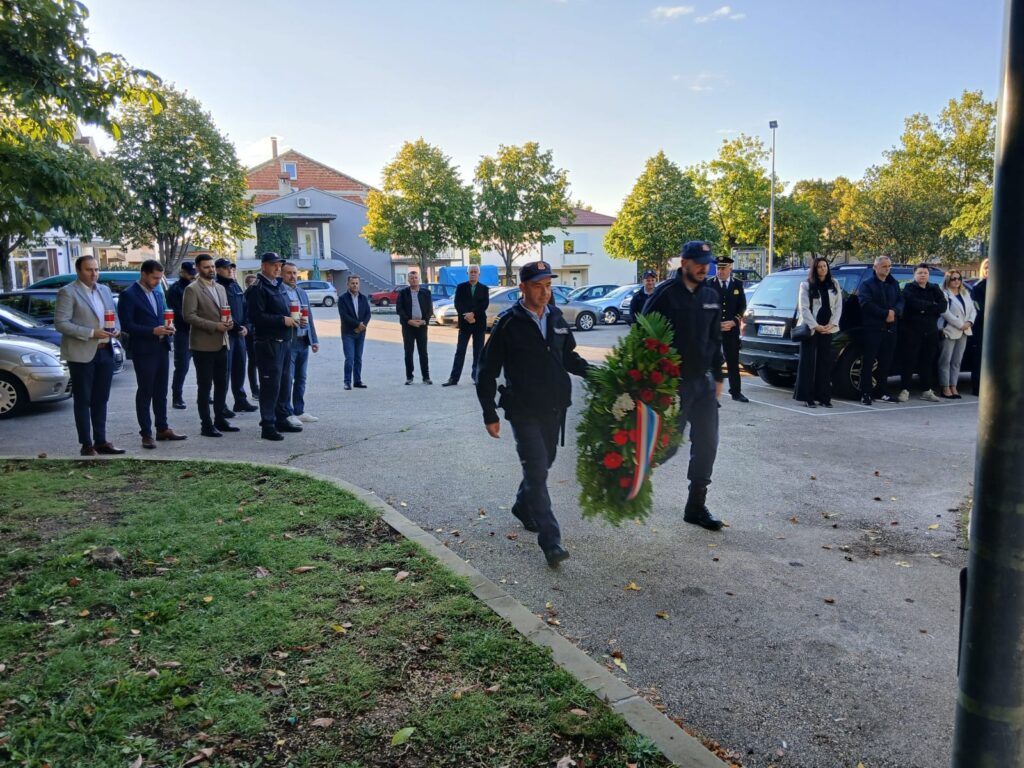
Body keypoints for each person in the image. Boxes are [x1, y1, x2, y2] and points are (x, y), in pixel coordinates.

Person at [476, 260, 590, 567]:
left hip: (554, 407)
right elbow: (486, 370)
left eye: (548, 286)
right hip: (523, 409)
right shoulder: (508, 323)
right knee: (537, 470)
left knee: (545, 462)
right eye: (538, 286)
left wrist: (597, 374)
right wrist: (489, 412)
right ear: (523, 288)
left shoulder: (556, 316)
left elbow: (568, 357)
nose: (544, 292)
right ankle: (551, 541)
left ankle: (522, 506)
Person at [642, 241, 725, 531]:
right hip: (672, 385)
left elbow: (715, 339)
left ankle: (696, 506)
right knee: (666, 447)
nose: (704, 267)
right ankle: (627, 478)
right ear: (684, 263)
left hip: (703, 385)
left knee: (708, 443)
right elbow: (642, 334)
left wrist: (719, 376)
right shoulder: (664, 295)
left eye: (707, 262)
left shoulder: (711, 295)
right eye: (699, 262)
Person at [54, 255, 126, 456]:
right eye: (89, 270)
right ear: (78, 271)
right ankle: (86, 444)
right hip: (81, 353)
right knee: (83, 400)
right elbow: (61, 323)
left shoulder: (104, 290)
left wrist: (116, 328)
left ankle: (101, 441)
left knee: (101, 399)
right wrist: (91, 333)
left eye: (96, 269)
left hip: (105, 350)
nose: (94, 274)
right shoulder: (68, 292)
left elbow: (113, 316)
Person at [116, 260, 187, 448]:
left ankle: (162, 428)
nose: (157, 281)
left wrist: (168, 327)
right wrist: (151, 331)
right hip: (144, 350)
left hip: (162, 347)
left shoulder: (157, 293)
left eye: (159, 278)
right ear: (144, 274)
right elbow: (127, 325)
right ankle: (146, 433)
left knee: (161, 391)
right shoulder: (129, 295)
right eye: (154, 278)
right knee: (146, 391)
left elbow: (162, 316)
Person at [182, 254, 239, 438]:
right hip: (203, 345)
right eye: (206, 267)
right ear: (198, 268)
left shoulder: (220, 288)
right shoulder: (192, 289)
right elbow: (189, 316)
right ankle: (206, 424)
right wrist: (215, 326)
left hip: (222, 342)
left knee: (222, 384)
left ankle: (220, 419)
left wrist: (229, 322)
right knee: (205, 386)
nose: (211, 270)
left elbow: (225, 311)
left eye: (212, 266)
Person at [247, 252, 301, 440]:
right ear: (263, 266)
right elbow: (256, 317)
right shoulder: (258, 288)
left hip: (284, 341)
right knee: (270, 385)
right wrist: (282, 320)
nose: (278, 268)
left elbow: (284, 309)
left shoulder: (277, 285)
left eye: (279, 265)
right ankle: (268, 424)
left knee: (285, 383)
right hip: (268, 343)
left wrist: (294, 319)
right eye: (273, 265)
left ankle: (281, 418)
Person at [793, 257, 843, 408]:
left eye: (825, 266)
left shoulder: (834, 283)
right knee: (808, 363)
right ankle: (807, 397)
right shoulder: (806, 285)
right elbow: (804, 308)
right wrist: (815, 326)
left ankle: (823, 397)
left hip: (828, 328)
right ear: (815, 269)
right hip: (811, 329)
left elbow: (838, 305)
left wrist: (832, 324)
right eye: (820, 267)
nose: (823, 269)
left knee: (824, 363)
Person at [857, 255, 904, 405]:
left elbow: (901, 300)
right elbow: (865, 303)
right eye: (884, 266)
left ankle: (882, 391)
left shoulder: (893, 283)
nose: (887, 269)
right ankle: (866, 393)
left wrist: (894, 311)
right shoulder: (867, 284)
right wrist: (885, 314)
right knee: (869, 362)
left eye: (889, 266)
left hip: (891, 328)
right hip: (873, 328)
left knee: (886, 362)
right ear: (875, 267)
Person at [897, 264, 945, 403]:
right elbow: (914, 304)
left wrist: (926, 309)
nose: (923, 275)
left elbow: (943, 306)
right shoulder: (909, 288)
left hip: (930, 331)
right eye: (920, 273)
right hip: (912, 331)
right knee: (909, 361)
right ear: (914, 274)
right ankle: (905, 390)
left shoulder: (934, 288)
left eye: (925, 273)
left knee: (927, 362)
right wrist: (932, 306)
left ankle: (926, 390)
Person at [214, 258, 257, 414]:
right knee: (224, 371)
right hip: (226, 334)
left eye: (231, 268)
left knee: (240, 367)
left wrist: (246, 326)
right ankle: (221, 405)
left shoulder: (235, 285)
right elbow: (221, 311)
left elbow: (246, 308)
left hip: (240, 335)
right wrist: (238, 327)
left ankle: (240, 400)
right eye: (226, 268)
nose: (230, 271)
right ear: (218, 269)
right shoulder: (217, 287)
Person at [281, 262, 319, 424]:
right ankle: (287, 412)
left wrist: (314, 339)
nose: (293, 276)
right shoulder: (279, 292)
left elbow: (309, 317)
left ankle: (299, 410)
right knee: (287, 378)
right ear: (282, 274)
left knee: (301, 378)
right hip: (289, 341)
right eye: (289, 273)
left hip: (303, 340)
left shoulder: (301, 292)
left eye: (295, 273)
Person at [707, 256, 748, 402]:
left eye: (723, 268)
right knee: (713, 362)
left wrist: (734, 321)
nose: (720, 271)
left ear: (730, 268)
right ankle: (712, 395)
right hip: (714, 330)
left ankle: (736, 392)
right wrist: (715, 323)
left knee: (733, 362)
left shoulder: (737, 284)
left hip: (731, 329)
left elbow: (742, 306)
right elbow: (706, 306)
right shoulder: (709, 284)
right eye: (718, 268)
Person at [444, 265, 489, 386]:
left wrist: (473, 314)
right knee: (460, 351)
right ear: (467, 273)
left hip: (479, 323)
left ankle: (477, 377)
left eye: (475, 272)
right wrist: (467, 315)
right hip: (465, 323)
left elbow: (484, 305)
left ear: (479, 274)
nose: (473, 274)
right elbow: (458, 303)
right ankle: (454, 378)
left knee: (478, 352)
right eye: (471, 272)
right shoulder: (461, 287)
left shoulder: (484, 289)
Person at [938, 269, 977, 399]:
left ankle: (953, 385)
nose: (956, 281)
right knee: (945, 360)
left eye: (959, 278)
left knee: (957, 361)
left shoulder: (965, 293)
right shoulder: (944, 293)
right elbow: (945, 312)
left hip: (964, 331)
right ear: (948, 280)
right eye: (953, 278)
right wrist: (960, 324)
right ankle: (945, 386)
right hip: (950, 330)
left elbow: (973, 310)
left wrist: (970, 322)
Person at [166, 260, 196, 409]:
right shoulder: (175, 289)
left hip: (199, 331)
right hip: (183, 332)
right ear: (182, 272)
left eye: (194, 273)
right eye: (190, 273)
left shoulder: (197, 286)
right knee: (182, 366)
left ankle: (205, 394)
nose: (192, 276)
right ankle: (177, 397)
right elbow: (177, 312)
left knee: (204, 366)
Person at [396, 269, 433, 384]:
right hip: (408, 327)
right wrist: (409, 321)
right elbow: (399, 309)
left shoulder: (426, 293)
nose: (414, 280)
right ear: (408, 280)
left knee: (423, 352)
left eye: (416, 278)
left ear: (419, 279)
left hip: (422, 326)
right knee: (408, 352)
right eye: (411, 278)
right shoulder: (403, 293)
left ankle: (426, 377)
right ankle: (409, 377)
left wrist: (424, 321)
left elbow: (430, 309)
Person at [338, 274, 371, 390]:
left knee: (358, 358)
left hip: (361, 333)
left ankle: (357, 381)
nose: (355, 285)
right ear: (348, 284)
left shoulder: (363, 298)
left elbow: (368, 314)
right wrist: (357, 324)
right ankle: (347, 382)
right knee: (349, 358)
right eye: (352, 283)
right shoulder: (342, 299)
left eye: (357, 283)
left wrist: (363, 326)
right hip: (348, 333)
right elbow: (344, 316)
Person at [969, 258, 988, 396]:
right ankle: (977, 388)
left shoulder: (1002, 286)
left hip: (997, 330)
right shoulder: (977, 288)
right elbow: (977, 309)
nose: (989, 270)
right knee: (979, 359)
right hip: (981, 328)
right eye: (986, 267)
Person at [243, 273, 260, 398]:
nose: (254, 286)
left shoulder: (258, 295)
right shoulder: (246, 296)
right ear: (247, 284)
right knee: (253, 361)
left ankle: (258, 389)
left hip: (259, 331)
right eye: (252, 284)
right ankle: (255, 390)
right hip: (250, 333)